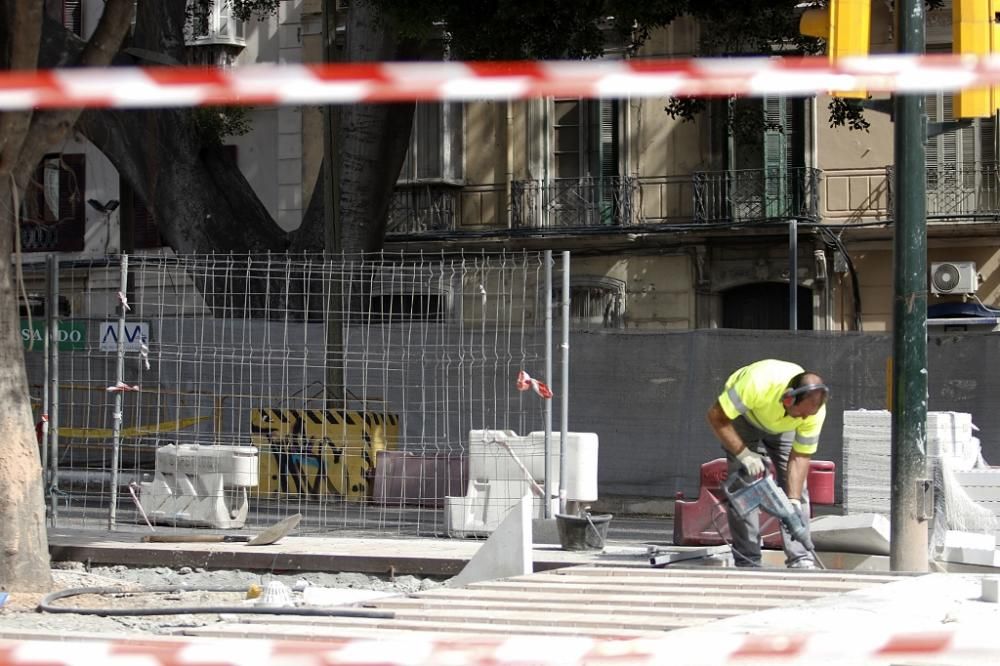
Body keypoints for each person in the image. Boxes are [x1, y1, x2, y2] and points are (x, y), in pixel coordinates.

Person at [706, 359, 828, 569]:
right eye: (803, 413)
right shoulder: (756, 384)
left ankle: (801, 558)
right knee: (744, 489)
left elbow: (800, 457)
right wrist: (743, 454)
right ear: (789, 399)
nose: (806, 418)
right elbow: (716, 416)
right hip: (745, 417)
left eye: (810, 414)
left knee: (798, 492)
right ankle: (748, 560)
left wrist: (793, 501)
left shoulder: (812, 412)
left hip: (782, 425)